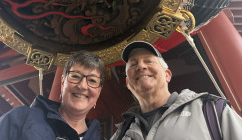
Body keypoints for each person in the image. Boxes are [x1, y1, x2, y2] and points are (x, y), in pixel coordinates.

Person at [111, 41, 242, 140]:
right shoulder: (121, 133)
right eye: (133, 64)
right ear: (128, 83)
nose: (140, 66)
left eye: (149, 61)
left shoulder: (211, 109)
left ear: (167, 75)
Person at [0, 50, 105, 140]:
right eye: (75, 76)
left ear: (99, 91)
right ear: (63, 82)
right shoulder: (22, 117)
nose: (82, 86)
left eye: (92, 80)